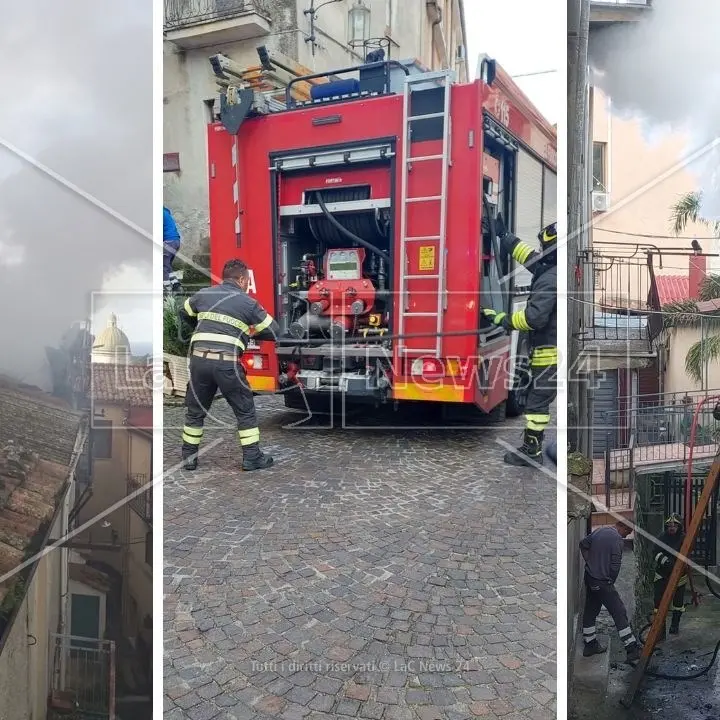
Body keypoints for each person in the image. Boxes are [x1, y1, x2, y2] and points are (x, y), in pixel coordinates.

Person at [178, 258, 279, 471]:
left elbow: (183, 311)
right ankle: (252, 458)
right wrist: (250, 332)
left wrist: (201, 329)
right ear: (242, 279)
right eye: (246, 280)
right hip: (227, 364)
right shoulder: (247, 303)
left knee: (195, 411)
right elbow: (274, 330)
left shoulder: (204, 294)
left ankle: (189, 458)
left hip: (199, 362)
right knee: (245, 410)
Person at [481, 217, 557, 466]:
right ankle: (531, 448)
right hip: (547, 353)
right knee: (537, 401)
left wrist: (503, 319)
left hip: (550, 355)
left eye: (545, 248)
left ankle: (531, 452)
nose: (541, 252)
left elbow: (534, 318)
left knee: (537, 404)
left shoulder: (550, 278)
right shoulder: (550, 268)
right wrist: (505, 237)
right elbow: (529, 257)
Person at [580, 521, 641, 662]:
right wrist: (610, 581)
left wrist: (590, 563)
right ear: (623, 527)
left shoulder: (599, 531)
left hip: (590, 578)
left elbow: (583, 544)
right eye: (628, 531)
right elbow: (615, 566)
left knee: (591, 610)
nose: (628, 535)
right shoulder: (617, 541)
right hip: (603, 582)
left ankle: (590, 644)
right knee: (618, 611)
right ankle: (631, 648)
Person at [652, 513, 687, 639]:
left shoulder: (684, 538)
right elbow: (655, 552)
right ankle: (660, 629)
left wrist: (680, 565)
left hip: (679, 577)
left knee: (678, 603)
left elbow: (687, 554)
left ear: (679, 526)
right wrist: (666, 562)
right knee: (658, 602)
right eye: (669, 526)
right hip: (662, 574)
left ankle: (675, 625)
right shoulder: (662, 537)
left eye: (674, 525)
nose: (671, 528)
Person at [163, 206, 182, 284]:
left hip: (169, 241)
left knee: (162, 265)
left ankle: (166, 289)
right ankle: (176, 284)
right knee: (167, 265)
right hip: (176, 241)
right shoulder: (165, 212)